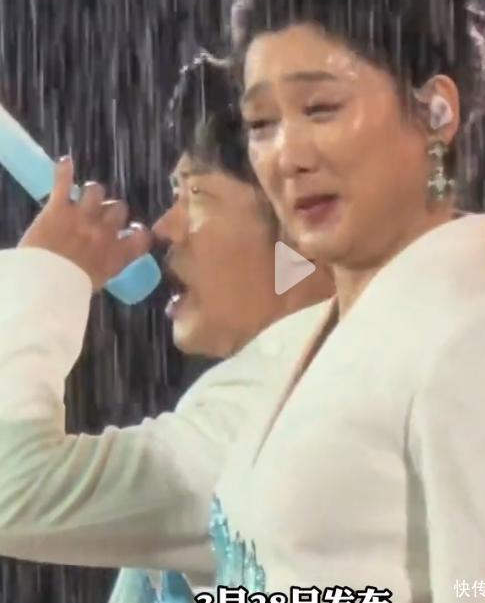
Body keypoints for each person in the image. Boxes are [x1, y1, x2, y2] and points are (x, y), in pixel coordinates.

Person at [207, 0, 485, 601]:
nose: (287, 156)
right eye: (260, 124)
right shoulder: (308, 338)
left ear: (435, 111)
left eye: (321, 108)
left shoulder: (477, 338)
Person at [0, 55, 333, 600]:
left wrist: (47, 272)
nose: (163, 227)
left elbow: (10, 489)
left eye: (195, 196)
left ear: (300, 230)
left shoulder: (275, 415)